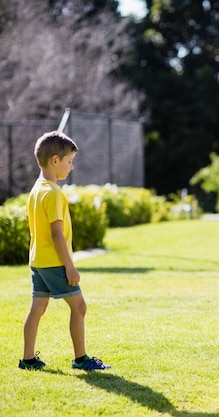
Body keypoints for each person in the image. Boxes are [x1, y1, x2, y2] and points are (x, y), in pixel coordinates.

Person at [19, 131, 111, 371]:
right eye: (69, 161)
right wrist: (70, 265)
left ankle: (28, 359)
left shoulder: (36, 190)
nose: (71, 167)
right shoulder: (54, 194)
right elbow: (57, 234)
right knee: (79, 307)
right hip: (54, 262)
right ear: (55, 160)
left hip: (38, 261)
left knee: (37, 309)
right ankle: (81, 360)